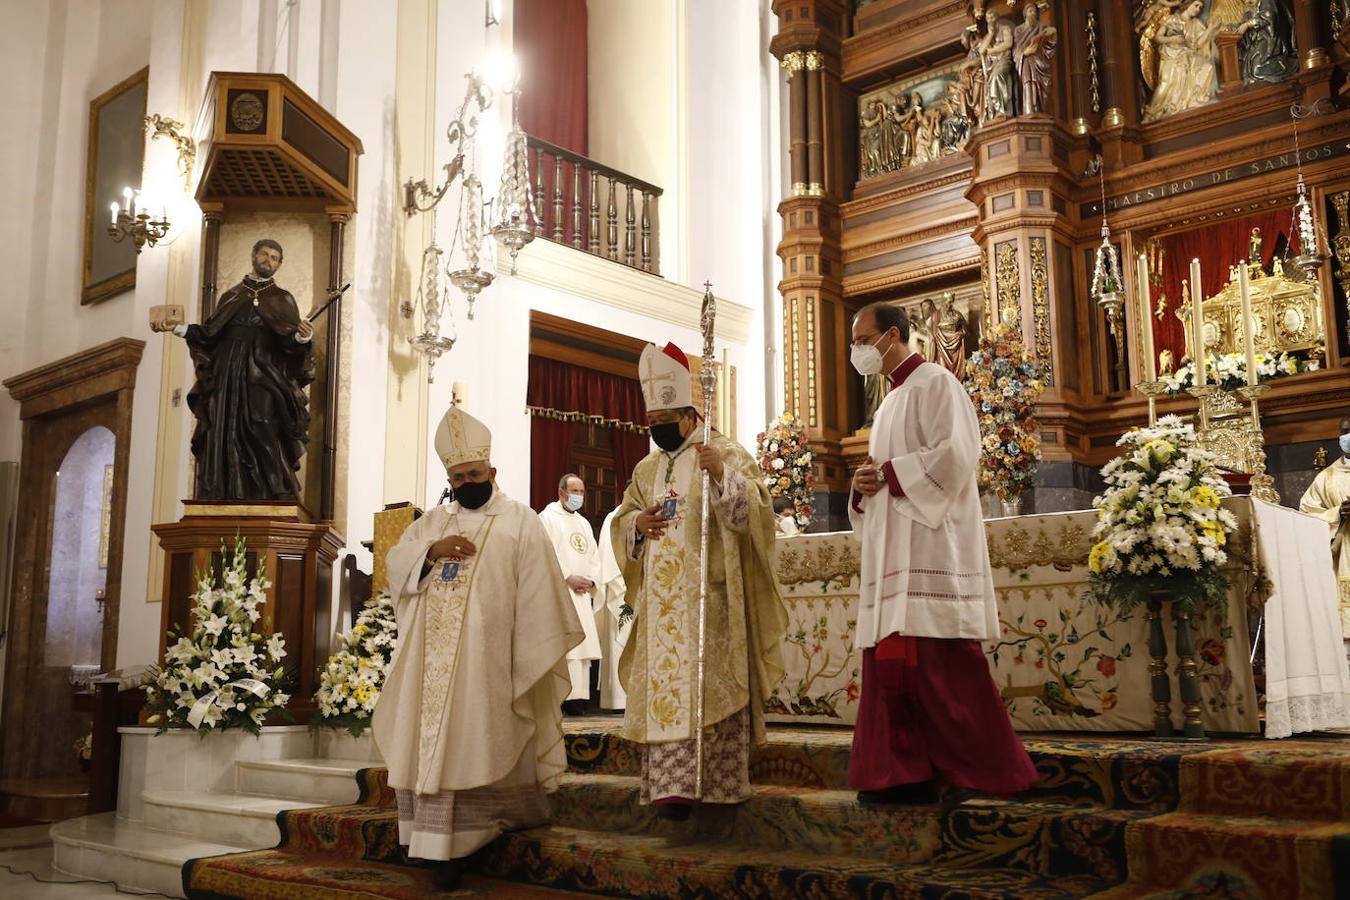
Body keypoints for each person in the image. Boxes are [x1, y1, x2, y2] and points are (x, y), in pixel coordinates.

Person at [371, 405, 583, 890]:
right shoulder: (433, 522)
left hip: (489, 659)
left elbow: (540, 591)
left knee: (480, 735)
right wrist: (432, 552)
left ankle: (475, 831)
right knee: (438, 743)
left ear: (492, 472)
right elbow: (397, 565)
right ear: (449, 478)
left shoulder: (520, 521)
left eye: (474, 473)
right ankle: (431, 841)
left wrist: (525, 647)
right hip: (433, 664)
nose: (468, 482)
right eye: (458, 476)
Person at [846, 302, 1037, 806]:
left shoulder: (936, 384)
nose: (857, 351)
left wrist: (889, 475)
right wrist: (862, 484)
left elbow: (956, 454)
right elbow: (881, 473)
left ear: (892, 335)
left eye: (862, 339)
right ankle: (902, 774)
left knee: (939, 666)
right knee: (892, 668)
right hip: (894, 549)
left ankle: (979, 771)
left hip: (932, 546)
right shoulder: (888, 403)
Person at [612, 342, 788, 820]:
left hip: (712, 600)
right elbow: (624, 517)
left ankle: (718, 785)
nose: (657, 429)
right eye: (651, 422)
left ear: (690, 415)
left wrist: (723, 478)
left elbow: (755, 512)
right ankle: (671, 787)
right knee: (669, 690)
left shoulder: (724, 450)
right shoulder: (647, 468)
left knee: (713, 688)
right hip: (662, 606)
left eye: (665, 419)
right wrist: (636, 527)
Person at [151, 238, 314, 501]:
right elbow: (210, 334)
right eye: (264, 254)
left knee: (263, 423)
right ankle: (227, 489)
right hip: (229, 373)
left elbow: (289, 345)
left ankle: (276, 490)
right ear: (253, 255)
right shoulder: (232, 295)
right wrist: (179, 328)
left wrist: (302, 338)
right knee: (224, 426)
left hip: (264, 373)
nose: (268, 261)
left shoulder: (283, 299)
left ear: (280, 265)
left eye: (274, 258)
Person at [538, 473, 604, 713]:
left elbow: (594, 556)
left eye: (581, 492)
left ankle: (580, 699)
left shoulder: (584, 523)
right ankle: (563, 699)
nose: (578, 496)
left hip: (582, 595)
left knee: (582, 650)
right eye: (574, 491)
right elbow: (547, 552)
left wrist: (591, 580)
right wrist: (568, 577)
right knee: (566, 648)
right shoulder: (546, 518)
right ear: (561, 493)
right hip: (561, 593)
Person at [1299, 415, 1350, 638]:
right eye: (1343, 432)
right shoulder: (1326, 478)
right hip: (1344, 556)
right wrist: (1337, 513)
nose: (1346, 437)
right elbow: (1306, 513)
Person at [595, 505, 630, 709]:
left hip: (643, 586)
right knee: (619, 639)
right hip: (622, 588)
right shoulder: (614, 517)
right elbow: (609, 557)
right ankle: (619, 699)